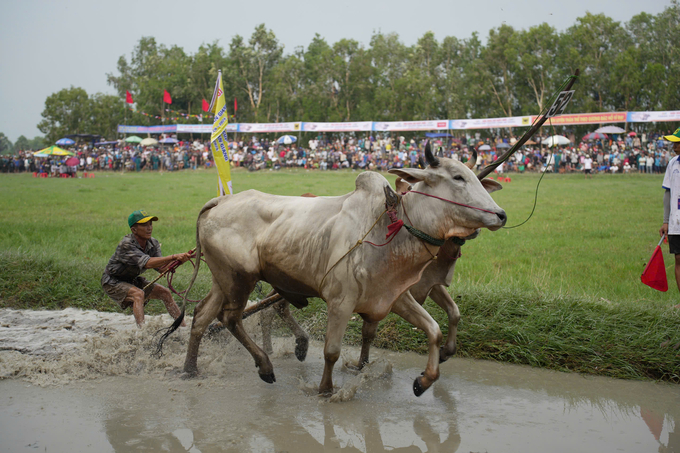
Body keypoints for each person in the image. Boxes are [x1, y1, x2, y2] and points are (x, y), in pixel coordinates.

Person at [101, 210, 191, 327]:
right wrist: (173, 256)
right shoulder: (126, 244)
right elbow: (147, 263)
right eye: (144, 225)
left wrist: (180, 261)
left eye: (150, 224)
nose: (149, 228)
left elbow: (162, 268)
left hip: (132, 280)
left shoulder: (153, 243)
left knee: (165, 293)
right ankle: (142, 333)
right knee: (138, 294)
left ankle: (183, 326)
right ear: (134, 230)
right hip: (112, 281)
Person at [659, 127, 680, 308]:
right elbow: (668, 194)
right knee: (678, 259)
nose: (674, 146)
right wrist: (666, 221)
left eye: (677, 142)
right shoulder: (673, 164)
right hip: (676, 222)